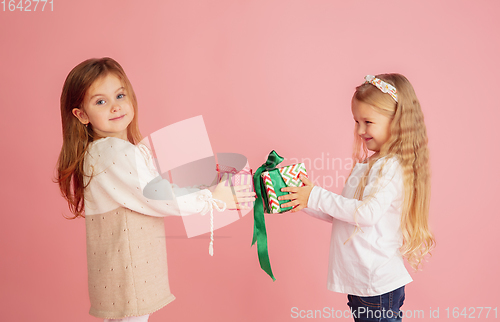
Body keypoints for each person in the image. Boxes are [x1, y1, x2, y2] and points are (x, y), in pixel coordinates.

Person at [55, 57, 255, 322]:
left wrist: (206, 184)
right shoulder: (114, 152)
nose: (115, 106)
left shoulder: (103, 152)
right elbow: (157, 196)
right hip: (131, 271)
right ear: (81, 115)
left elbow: (149, 190)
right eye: (101, 101)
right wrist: (211, 198)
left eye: (120, 95)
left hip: (119, 273)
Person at [280, 74, 435, 322]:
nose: (360, 130)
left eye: (368, 121)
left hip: (377, 285)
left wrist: (316, 195)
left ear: (397, 121)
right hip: (363, 283)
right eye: (356, 121)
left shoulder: (392, 166)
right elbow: (345, 213)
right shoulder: (370, 164)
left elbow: (365, 214)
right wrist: (305, 200)